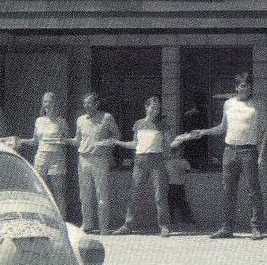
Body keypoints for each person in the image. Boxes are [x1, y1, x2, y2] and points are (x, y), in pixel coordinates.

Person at [178, 72, 267, 240]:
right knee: (228, 191)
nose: (245, 88)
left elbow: (265, 131)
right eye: (242, 85)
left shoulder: (258, 104)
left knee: (253, 190)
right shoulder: (228, 104)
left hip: (248, 151)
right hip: (229, 151)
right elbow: (222, 128)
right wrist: (203, 132)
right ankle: (226, 228)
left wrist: (261, 156)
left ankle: (256, 228)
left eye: (248, 85)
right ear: (236, 87)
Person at [112, 96, 172, 237]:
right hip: (140, 160)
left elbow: (168, 145)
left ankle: (164, 226)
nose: (155, 110)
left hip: (156, 159)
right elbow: (135, 144)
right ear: (146, 107)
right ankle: (127, 225)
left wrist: (174, 144)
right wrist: (118, 142)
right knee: (134, 193)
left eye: (157, 108)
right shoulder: (138, 124)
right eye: (153, 107)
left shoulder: (163, 125)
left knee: (160, 194)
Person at [69, 93, 120, 235]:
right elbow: (77, 140)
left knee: (101, 194)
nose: (86, 106)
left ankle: (103, 227)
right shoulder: (80, 120)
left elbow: (116, 136)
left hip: (100, 159)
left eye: (89, 103)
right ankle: (87, 224)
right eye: (85, 103)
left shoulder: (106, 118)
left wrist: (103, 143)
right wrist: (62, 140)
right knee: (84, 194)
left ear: (97, 104)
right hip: (83, 159)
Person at [16, 92, 70, 219]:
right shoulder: (39, 120)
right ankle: (40, 217)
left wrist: (62, 140)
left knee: (58, 190)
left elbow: (66, 140)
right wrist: (22, 141)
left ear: (55, 103)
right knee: (40, 187)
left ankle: (62, 219)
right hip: (41, 156)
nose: (47, 105)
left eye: (50, 102)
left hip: (56, 156)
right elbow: (35, 141)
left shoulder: (61, 121)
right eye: (45, 102)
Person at [166, 146, 195, 228]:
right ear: (174, 152)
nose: (181, 152)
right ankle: (171, 220)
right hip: (171, 184)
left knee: (182, 203)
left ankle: (187, 220)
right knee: (171, 203)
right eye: (179, 151)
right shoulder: (169, 162)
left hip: (179, 184)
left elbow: (189, 170)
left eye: (181, 151)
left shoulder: (183, 162)